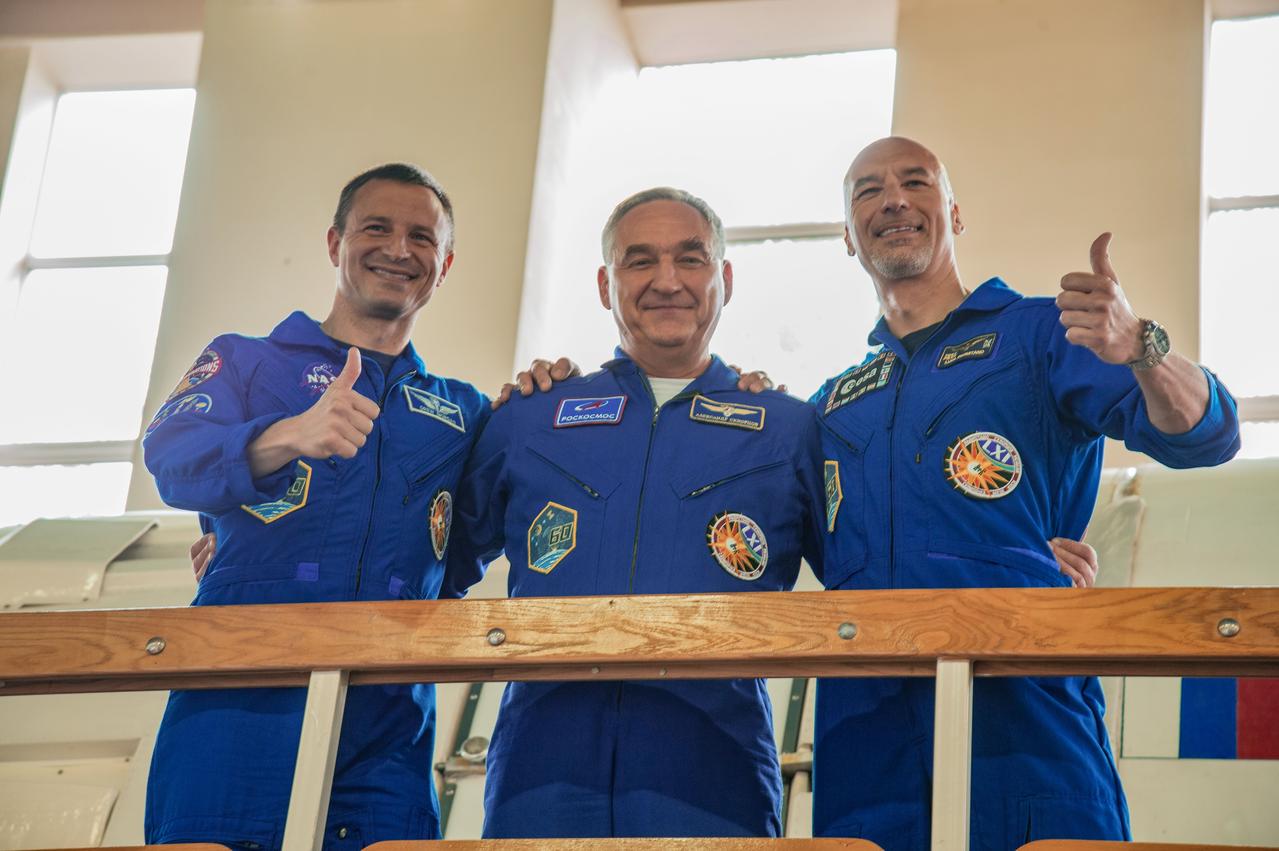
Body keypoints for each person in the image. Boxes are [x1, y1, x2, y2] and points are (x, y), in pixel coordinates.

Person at [810, 136, 1240, 850]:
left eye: (915, 182)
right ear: (847, 238)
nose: (892, 199)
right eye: (867, 190)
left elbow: (1205, 435)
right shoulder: (831, 404)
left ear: (952, 211)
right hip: (867, 745)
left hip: (1023, 722)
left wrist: (1141, 346)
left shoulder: (1044, 333)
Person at [442, 187, 828, 838]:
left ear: (724, 278)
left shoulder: (786, 427)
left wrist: (1042, 552)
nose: (666, 281)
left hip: (715, 764)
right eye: (639, 260)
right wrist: (244, 540)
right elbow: (431, 561)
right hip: (542, 764)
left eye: (690, 258)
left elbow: (873, 565)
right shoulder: (529, 417)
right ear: (604, 283)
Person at [142, 163, 489, 849]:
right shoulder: (245, 360)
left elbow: (484, 535)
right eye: (376, 228)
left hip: (388, 722)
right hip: (237, 698)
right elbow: (170, 455)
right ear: (334, 242)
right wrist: (286, 436)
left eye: (421, 236)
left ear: (443, 265)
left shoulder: (461, 411)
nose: (398, 248)